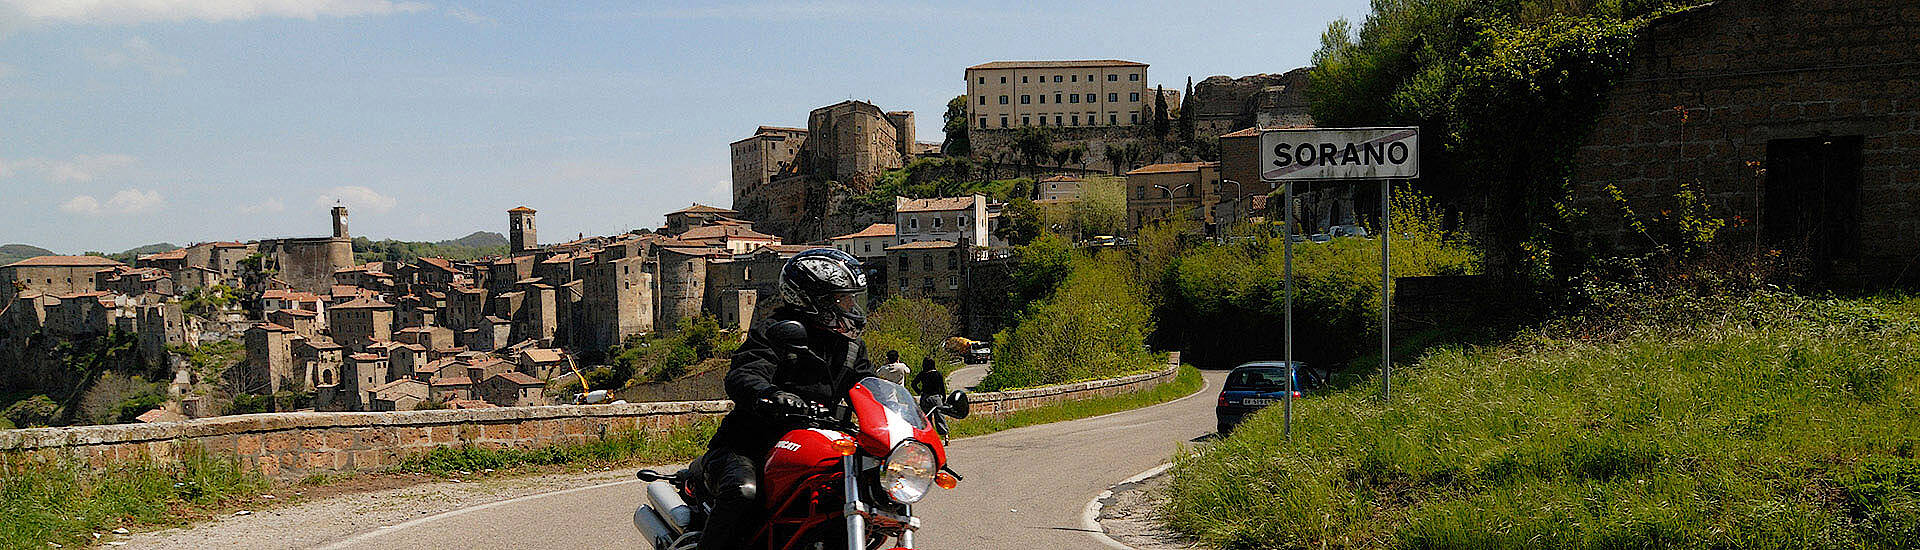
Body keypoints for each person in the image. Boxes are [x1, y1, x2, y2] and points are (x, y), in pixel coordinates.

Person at [694, 248, 876, 550]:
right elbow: (745, 373)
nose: (852, 307)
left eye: (854, 298)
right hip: (752, 445)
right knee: (743, 492)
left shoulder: (851, 348)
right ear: (815, 300)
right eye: (843, 299)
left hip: (818, 446)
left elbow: (869, 388)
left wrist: (902, 414)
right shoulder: (774, 332)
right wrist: (771, 394)